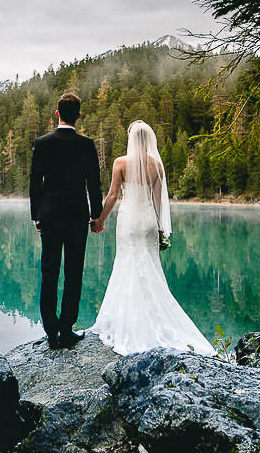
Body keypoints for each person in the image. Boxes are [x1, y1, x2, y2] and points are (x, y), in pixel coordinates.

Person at [89, 120, 215, 355]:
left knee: (127, 264)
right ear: (148, 140)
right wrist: (159, 229)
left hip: (129, 220)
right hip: (147, 220)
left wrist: (100, 220)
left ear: (130, 139)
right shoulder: (156, 165)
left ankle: (127, 321)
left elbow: (113, 194)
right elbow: (158, 202)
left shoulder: (120, 163)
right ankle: (155, 318)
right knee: (149, 267)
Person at [29, 93, 103, 350]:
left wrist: (36, 215)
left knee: (49, 273)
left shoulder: (42, 142)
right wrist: (96, 216)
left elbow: (35, 183)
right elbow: (94, 183)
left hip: (49, 215)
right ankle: (66, 329)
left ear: (57, 113)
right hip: (76, 216)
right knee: (73, 272)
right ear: (78, 116)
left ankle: (51, 332)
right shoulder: (86, 144)